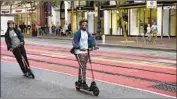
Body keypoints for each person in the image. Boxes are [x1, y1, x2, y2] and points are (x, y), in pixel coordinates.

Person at [71, 19, 97, 88]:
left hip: (86, 52)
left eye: (86, 25)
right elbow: (74, 42)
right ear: (80, 25)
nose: (85, 26)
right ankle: (82, 81)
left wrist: (94, 46)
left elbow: (91, 40)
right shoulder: (77, 33)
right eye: (83, 25)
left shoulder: (87, 33)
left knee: (83, 67)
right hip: (79, 52)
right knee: (82, 66)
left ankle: (81, 81)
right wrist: (79, 47)